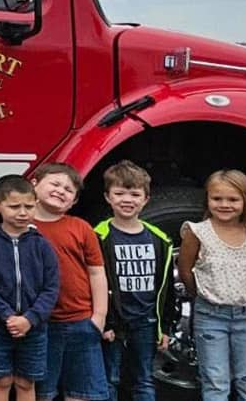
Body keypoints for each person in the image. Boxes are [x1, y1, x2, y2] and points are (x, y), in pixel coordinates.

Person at [177, 170, 246, 401]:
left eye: (233, 199)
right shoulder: (198, 232)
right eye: (217, 199)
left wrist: (245, 286)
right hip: (210, 316)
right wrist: (206, 291)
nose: (224, 205)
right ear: (208, 200)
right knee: (215, 381)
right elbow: (185, 270)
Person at [93, 161, 173, 401]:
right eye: (119, 193)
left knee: (144, 379)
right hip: (114, 321)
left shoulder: (160, 239)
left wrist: (164, 327)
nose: (127, 200)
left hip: (146, 321)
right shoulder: (99, 236)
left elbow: (166, 289)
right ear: (108, 197)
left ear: (146, 198)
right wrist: (104, 322)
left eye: (135, 194)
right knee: (110, 378)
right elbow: (94, 283)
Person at [30, 163, 110, 401]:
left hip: (81, 321)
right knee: (41, 392)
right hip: (40, 324)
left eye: (68, 189)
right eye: (54, 184)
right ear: (34, 184)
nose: (60, 191)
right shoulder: (22, 227)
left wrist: (99, 317)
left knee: (82, 392)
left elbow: (97, 273)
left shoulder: (81, 228)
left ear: (74, 201)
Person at [0, 175, 59, 401]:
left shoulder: (42, 245)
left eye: (28, 206)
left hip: (34, 327)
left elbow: (51, 287)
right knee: (0, 380)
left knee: (26, 382)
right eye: (14, 206)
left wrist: (30, 318)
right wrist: (6, 315)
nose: (22, 212)